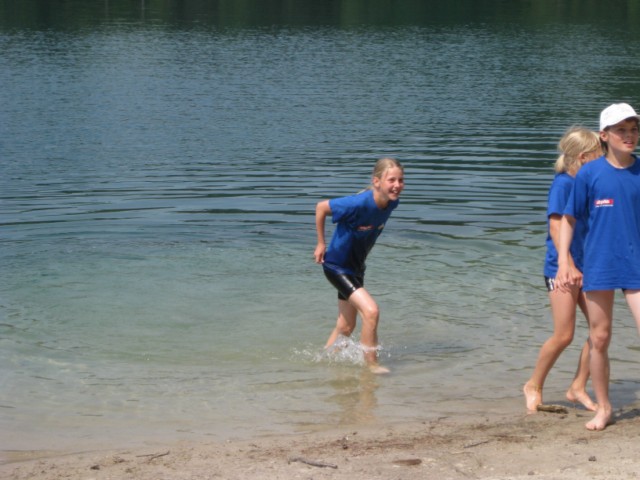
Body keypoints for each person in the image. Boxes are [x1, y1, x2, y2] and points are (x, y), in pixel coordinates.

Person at [556, 103, 640, 431]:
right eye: (622, 130)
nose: (629, 135)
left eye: (633, 129)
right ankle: (604, 408)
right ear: (604, 136)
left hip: (636, 263)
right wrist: (564, 261)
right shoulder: (589, 173)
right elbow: (568, 219)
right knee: (600, 338)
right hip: (600, 264)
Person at [523, 127, 603, 412]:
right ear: (583, 157)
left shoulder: (587, 183)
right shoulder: (563, 185)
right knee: (564, 334)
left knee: (600, 332)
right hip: (561, 268)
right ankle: (533, 385)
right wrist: (566, 265)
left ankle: (577, 387)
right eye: (599, 154)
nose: (604, 159)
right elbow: (556, 227)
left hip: (588, 267)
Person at [314, 157, 405, 374]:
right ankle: (371, 366)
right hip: (337, 267)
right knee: (371, 311)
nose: (397, 185)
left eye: (401, 180)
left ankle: (324, 363)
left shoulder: (392, 203)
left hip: (356, 268)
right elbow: (321, 207)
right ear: (377, 181)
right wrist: (321, 243)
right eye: (391, 180)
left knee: (346, 326)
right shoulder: (357, 204)